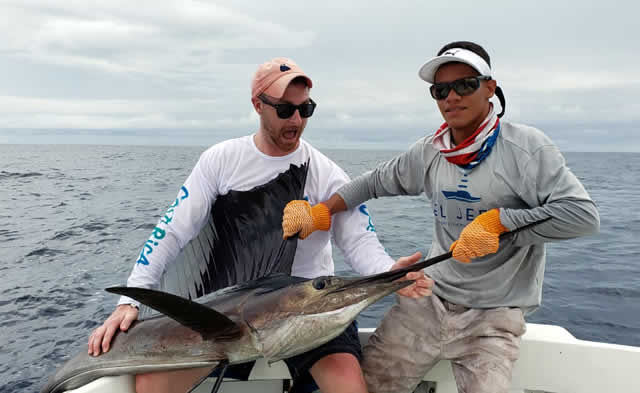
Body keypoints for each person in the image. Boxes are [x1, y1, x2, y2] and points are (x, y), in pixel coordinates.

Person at [87, 57, 433, 393]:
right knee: (151, 386)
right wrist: (129, 301)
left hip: (311, 313)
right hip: (232, 319)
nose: (296, 119)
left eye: (305, 110)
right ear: (258, 105)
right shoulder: (221, 160)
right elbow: (173, 230)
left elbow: (358, 241)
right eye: (285, 110)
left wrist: (389, 271)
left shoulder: (327, 173)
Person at [282, 41, 600, 393]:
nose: (452, 97)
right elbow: (371, 183)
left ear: (490, 88)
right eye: (441, 90)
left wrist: (501, 224)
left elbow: (583, 215)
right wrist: (323, 209)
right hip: (427, 300)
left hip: (494, 318)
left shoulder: (526, 148)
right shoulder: (430, 151)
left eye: (465, 84)